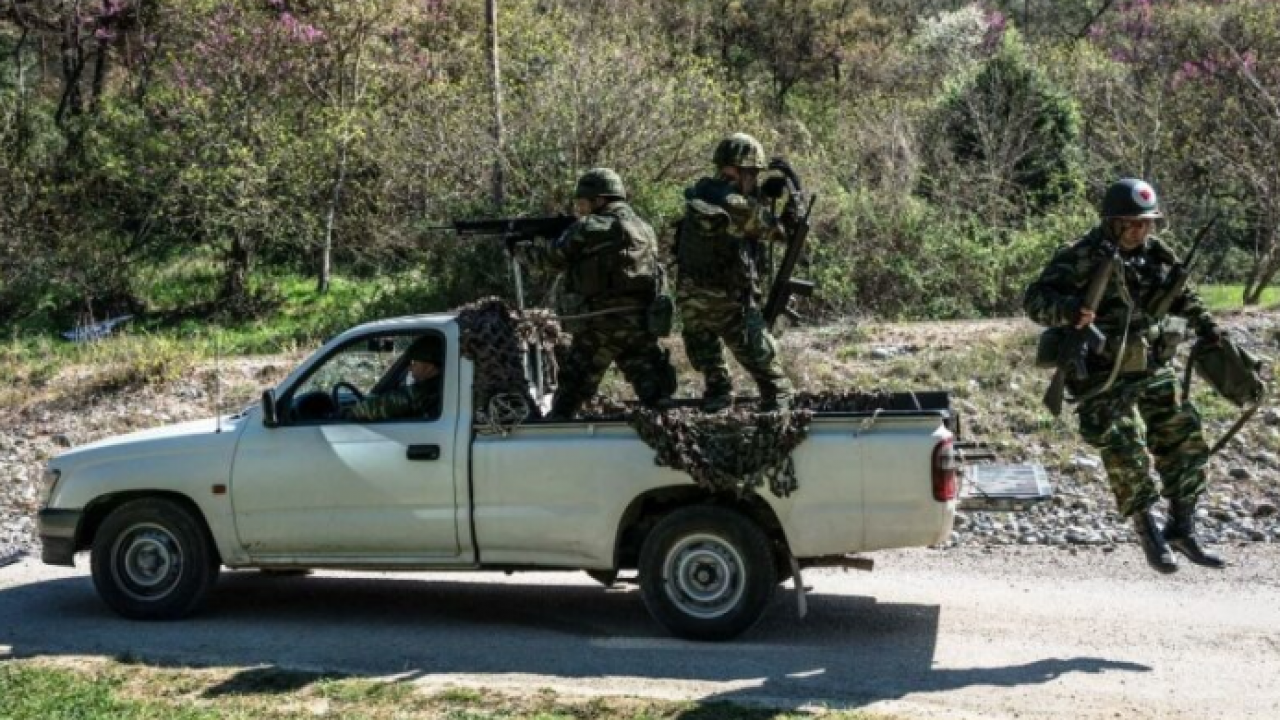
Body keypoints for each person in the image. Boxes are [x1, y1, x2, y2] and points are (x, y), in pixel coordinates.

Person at [1024, 178, 1224, 573]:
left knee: (1183, 438)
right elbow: (1035, 300)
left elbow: (1183, 296)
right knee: (1123, 448)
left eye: (1147, 223)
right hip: (1102, 373)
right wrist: (1069, 310)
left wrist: (1207, 327)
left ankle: (1182, 529)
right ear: (1112, 223)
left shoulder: (1156, 254)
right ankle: (1148, 530)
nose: (1141, 230)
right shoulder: (1080, 255)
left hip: (1150, 362)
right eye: (1132, 223)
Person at [519, 168, 676, 419]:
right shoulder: (645, 229)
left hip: (599, 327)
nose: (581, 209)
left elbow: (551, 260)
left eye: (583, 202)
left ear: (600, 200)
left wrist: (522, 249)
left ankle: (553, 446)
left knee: (568, 399)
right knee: (657, 395)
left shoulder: (588, 227)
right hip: (639, 325)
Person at [676, 132, 793, 412]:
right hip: (728, 303)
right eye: (752, 173)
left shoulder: (702, 193)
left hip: (692, 303)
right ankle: (778, 427)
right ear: (738, 170)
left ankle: (716, 414)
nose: (753, 180)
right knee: (773, 380)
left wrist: (762, 196)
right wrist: (792, 202)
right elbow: (778, 232)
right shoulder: (735, 204)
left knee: (716, 382)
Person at [346, 335, 444, 422]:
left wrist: (349, 412)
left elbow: (377, 408)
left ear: (430, 366)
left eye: (414, 363)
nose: (410, 368)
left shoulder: (424, 391)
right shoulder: (439, 385)